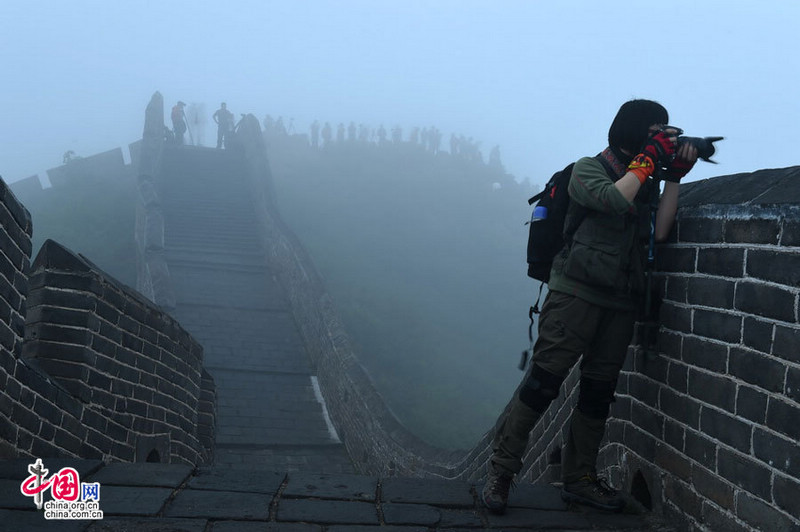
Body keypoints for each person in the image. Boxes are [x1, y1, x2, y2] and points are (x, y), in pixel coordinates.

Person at [480, 99, 698, 515]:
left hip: (620, 302)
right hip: (574, 296)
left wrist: (673, 177)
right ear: (632, 131)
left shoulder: (644, 179)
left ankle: (579, 478)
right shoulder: (588, 169)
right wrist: (649, 161)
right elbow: (615, 201)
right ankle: (501, 474)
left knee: (598, 393)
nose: (659, 140)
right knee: (543, 384)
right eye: (653, 132)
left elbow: (663, 231)